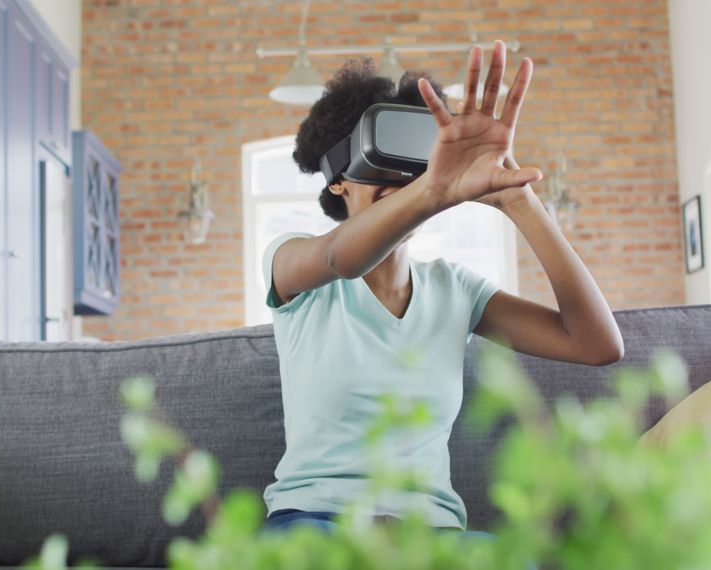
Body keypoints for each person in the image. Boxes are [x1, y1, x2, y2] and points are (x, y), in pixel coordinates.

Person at [261, 40, 624, 537]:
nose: (404, 177)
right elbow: (338, 257)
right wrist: (430, 191)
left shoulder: (457, 290)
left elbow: (597, 344)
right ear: (338, 180)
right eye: (378, 157)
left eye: (418, 159)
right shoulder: (295, 270)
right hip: (313, 524)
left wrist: (517, 198)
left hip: (431, 534)